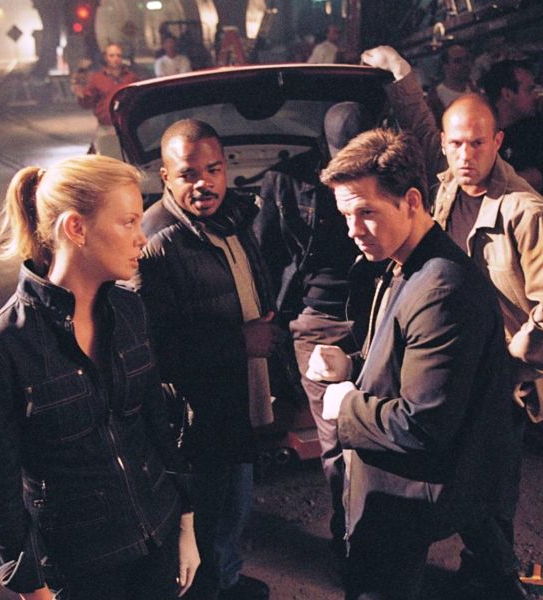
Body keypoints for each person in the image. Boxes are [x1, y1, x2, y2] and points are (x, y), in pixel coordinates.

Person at [0, 155, 200, 600]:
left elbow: (157, 426)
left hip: (156, 539)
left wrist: (185, 522)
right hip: (81, 570)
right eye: (128, 222)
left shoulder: (130, 310)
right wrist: (32, 589)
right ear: (76, 228)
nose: (142, 238)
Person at [362, 45, 543, 600]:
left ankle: (498, 582)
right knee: (459, 480)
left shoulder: (523, 210)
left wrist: (512, 360)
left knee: (494, 489)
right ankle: (482, 573)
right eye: (456, 144)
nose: (466, 155)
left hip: (499, 379)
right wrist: (401, 75)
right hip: (450, 366)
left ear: (498, 142)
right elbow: (420, 126)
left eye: (478, 143)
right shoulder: (443, 189)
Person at [316, 127, 513, 600]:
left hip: (404, 497)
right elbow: (408, 360)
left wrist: (345, 406)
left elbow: (422, 423)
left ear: (411, 201)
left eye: (366, 212)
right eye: (346, 215)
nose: (353, 230)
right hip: (394, 492)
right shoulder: (406, 263)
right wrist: (351, 365)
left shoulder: (441, 287)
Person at [136, 119, 276, 600]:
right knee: (206, 516)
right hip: (196, 414)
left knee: (235, 506)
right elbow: (152, 351)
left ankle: (226, 580)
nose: (204, 183)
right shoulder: (156, 241)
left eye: (213, 169)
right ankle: (210, 590)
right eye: (188, 173)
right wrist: (241, 341)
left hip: (236, 397)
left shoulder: (232, 219)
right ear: (165, 177)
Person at [255, 101, 382, 561]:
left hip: (380, 314)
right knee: (338, 439)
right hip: (318, 322)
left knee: (384, 430)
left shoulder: (387, 173)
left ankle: (382, 536)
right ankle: (351, 539)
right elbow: (266, 255)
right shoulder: (287, 180)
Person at [481, 59, 543, 191]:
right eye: (529, 90)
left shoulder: (537, 129)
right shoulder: (482, 133)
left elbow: (537, 178)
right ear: (507, 94)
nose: (536, 96)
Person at [71, 43, 138, 158]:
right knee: (105, 161)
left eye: (118, 55)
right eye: (111, 55)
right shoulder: (97, 78)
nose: (115, 59)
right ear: (105, 58)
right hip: (106, 128)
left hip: (126, 128)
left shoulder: (131, 78)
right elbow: (87, 102)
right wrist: (81, 95)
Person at [426, 43, 476, 126]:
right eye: (457, 61)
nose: (464, 64)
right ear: (445, 66)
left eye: (467, 59)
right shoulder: (435, 98)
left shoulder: (475, 91)